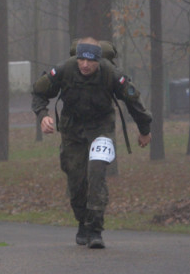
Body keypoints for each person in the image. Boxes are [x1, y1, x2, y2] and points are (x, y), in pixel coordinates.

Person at [31, 38, 152, 249]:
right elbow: (38, 92)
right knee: (76, 179)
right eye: (81, 60)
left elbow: (134, 102)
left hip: (101, 128)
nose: (85, 65)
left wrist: (144, 130)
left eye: (91, 61)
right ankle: (82, 222)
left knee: (96, 173)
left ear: (99, 61)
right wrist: (43, 115)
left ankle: (96, 229)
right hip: (72, 131)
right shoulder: (64, 70)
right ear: (76, 58)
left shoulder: (112, 74)